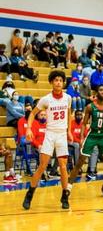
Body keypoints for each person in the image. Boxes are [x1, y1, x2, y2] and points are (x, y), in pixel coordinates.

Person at [22, 70, 73, 210]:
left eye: (60, 80)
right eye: (56, 80)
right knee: (43, 166)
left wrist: (69, 130)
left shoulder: (68, 98)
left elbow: (69, 114)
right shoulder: (46, 99)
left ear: (63, 83)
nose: (58, 83)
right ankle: (29, 194)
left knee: (63, 166)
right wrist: (28, 129)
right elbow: (32, 114)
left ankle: (64, 196)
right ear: (51, 82)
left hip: (61, 135)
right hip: (50, 134)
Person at [67, 85, 103, 197]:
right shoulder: (90, 107)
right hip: (91, 135)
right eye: (101, 90)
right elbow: (84, 124)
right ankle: (68, 187)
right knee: (80, 162)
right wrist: (82, 137)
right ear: (96, 93)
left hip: (102, 136)